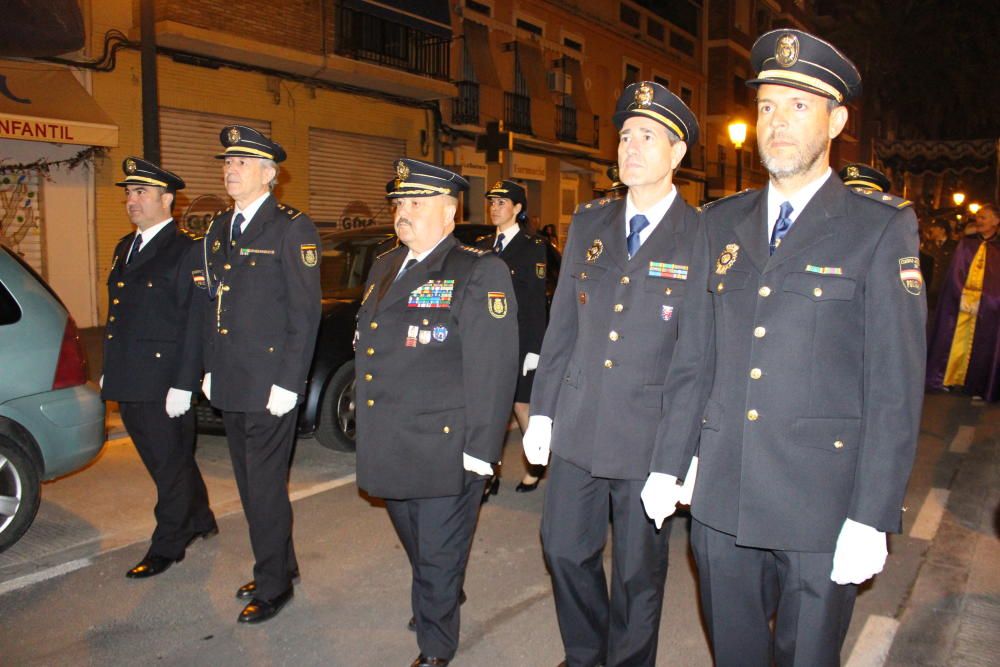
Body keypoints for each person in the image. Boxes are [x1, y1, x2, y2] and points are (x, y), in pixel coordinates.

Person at [650, 29, 926, 666]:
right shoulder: (721, 222)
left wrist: (873, 512)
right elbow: (695, 356)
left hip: (821, 503)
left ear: (836, 120)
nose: (777, 122)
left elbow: (893, 385)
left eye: (799, 106)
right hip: (723, 494)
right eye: (767, 106)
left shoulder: (879, 227)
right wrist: (672, 460)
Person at [521, 80, 701, 667]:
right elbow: (562, 329)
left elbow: (696, 358)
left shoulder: (701, 236)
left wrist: (676, 461)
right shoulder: (591, 222)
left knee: (637, 575)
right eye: (626, 135)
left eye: (648, 136)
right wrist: (542, 408)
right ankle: (586, 653)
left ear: (677, 153)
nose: (631, 146)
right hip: (578, 424)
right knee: (564, 551)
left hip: (647, 439)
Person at [354, 159, 517, 667]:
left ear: (449, 212)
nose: (403, 213)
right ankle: (438, 593)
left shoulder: (476, 269)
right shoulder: (384, 265)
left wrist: (482, 451)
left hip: (446, 444)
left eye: (416, 203)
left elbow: (495, 367)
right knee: (420, 543)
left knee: (439, 552)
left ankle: (436, 645)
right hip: (393, 438)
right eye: (399, 203)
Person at [196, 125, 322, 623]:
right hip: (231, 378)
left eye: (241, 163)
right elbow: (213, 305)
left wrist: (289, 383)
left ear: (269, 175)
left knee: (266, 487)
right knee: (249, 484)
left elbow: (304, 313)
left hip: (271, 384)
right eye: (227, 163)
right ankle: (281, 563)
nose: (230, 170)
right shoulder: (218, 228)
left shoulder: (292, 228)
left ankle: (273, 584)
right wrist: (208, 368)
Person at [102, 157, 217, 579]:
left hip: (165, 378)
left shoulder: (188, 250)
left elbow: (196, 322)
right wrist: (108, 368)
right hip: (130, 374)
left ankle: (169, 542)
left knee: (167, 463)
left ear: (167, 200)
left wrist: (185, 383)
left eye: (141, 193)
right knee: (163, 457)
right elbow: (119, 314)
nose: (131, 201)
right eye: (129, 193)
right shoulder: (123, 247)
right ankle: (200, 517)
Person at [476, 180, 549, 496]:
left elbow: (535, 301)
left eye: (501, 203)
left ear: (517, 209)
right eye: (492, 202)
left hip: (520, 341)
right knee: (490, 409)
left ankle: (535, 465)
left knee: (522, 406)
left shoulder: (533, 247)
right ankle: (488, 471)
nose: (494, 208)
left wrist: (536, 348)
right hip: (488, 343)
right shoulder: (481, 247)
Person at [926, 202, 1000, 401]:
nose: (979, 220)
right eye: (979, 217)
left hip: (989, 309)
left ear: (996, 221)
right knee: (954, 339)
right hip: (961, 304)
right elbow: (955, 273)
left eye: (984, 217)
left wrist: (989, 300)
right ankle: (949, 380)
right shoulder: (967, 243)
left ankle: (977, 385)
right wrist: (963, 296)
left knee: (982, 344)